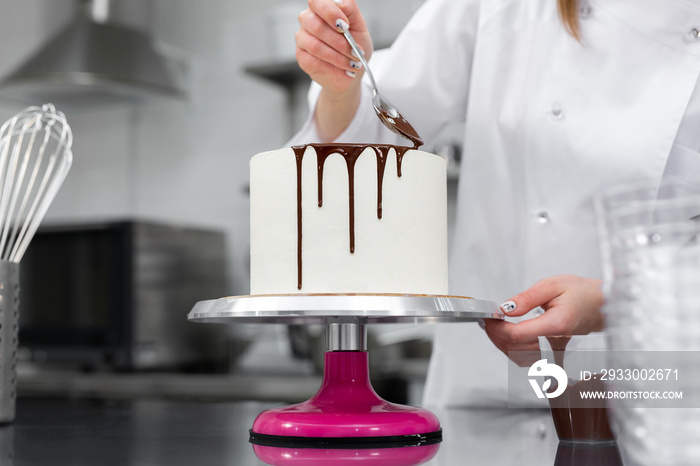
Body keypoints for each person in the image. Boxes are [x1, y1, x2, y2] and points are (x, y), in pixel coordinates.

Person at [287, 0, 700, 406]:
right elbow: (363, 146)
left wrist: (619, 298)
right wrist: (340, 84)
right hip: (484, 401)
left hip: (650, 397)